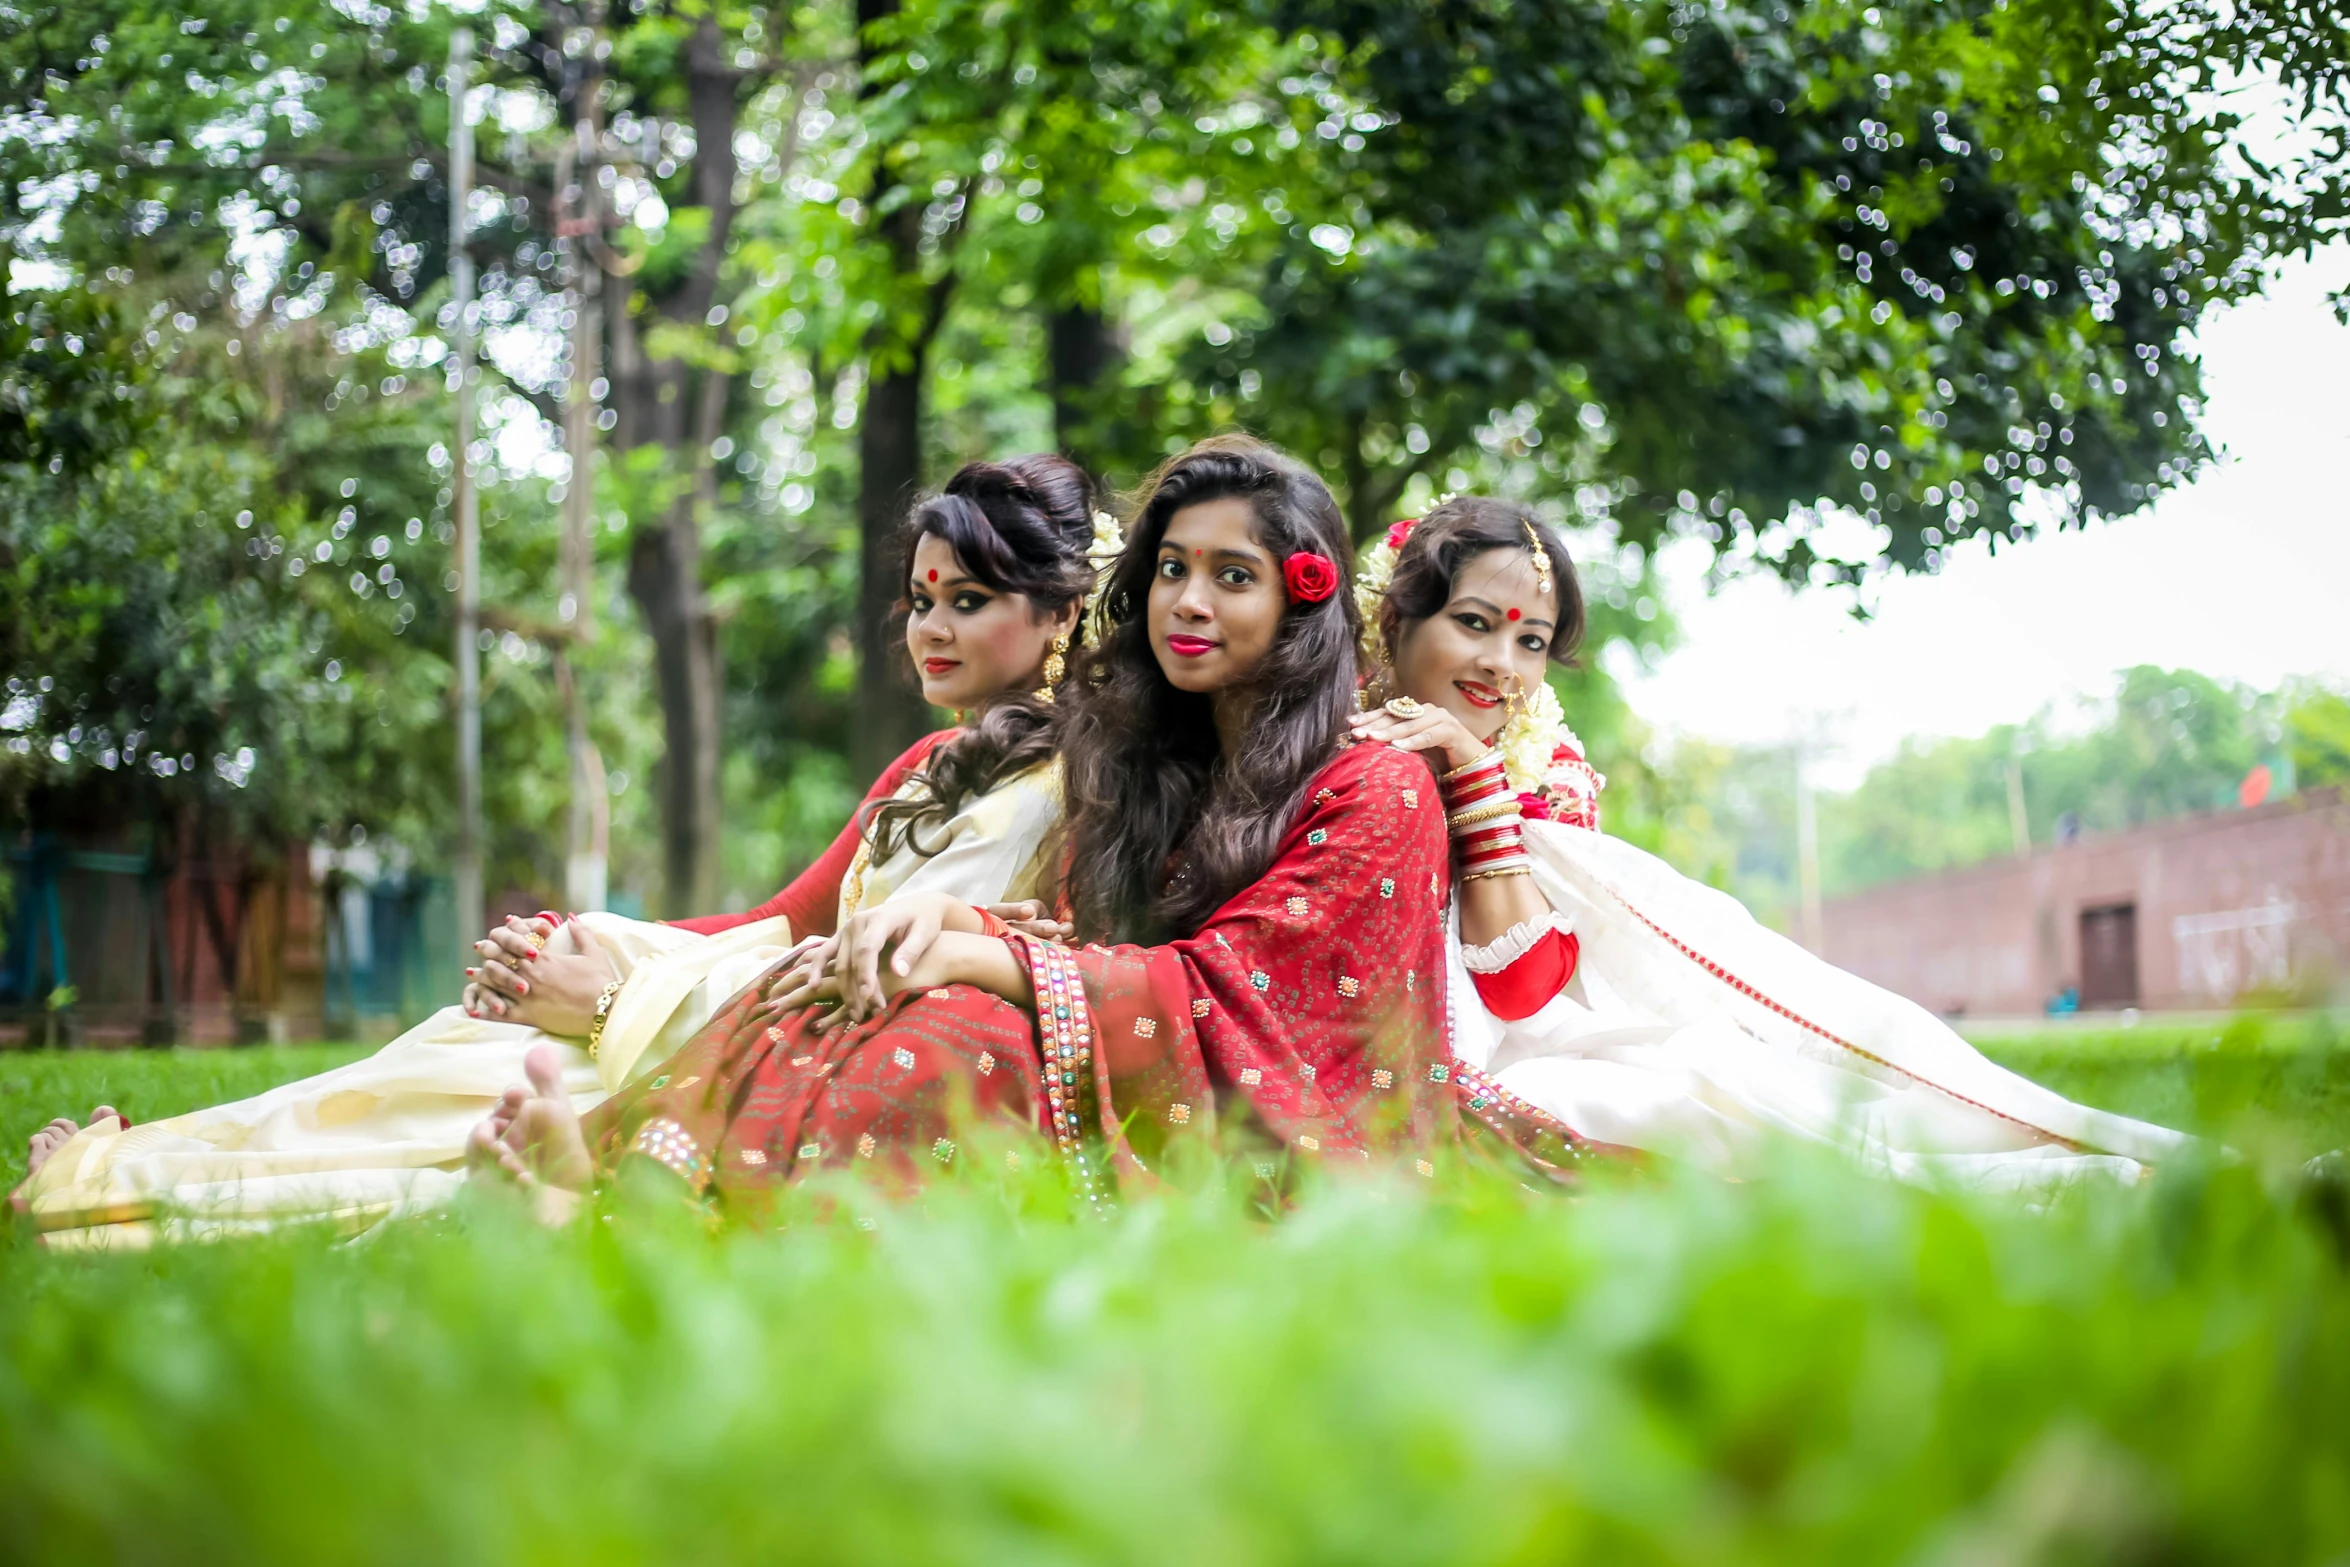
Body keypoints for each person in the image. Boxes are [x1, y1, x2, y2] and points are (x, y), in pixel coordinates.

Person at [469, 436, 1597, 1218]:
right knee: (829, 985)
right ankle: (635, 1191)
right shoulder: (1151, 764)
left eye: (1232, 577)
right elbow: (1088, 939)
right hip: (1132, 1051)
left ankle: (693, 1216)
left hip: (1268, 1118)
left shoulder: (1378, 787)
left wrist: (987, 962)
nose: (1189, 602)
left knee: (959, 1034)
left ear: (1301, 603)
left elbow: (1242, 1000)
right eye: (1172, 571)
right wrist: (956, 928)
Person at [15, 455, 1107, 1245]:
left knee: (477, 1102)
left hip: (813, 1054)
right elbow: (778, 918)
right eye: (921, 600)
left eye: (970, 602)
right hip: (746, 997)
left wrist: (604, 1004)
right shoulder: (926, 766)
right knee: (457, 1045)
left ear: (1060, 617)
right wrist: (573, 950)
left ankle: (119, 1189)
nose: (931, 628)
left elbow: (969, 970)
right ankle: (127, 1158)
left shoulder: (1089, 787)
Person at [1348, 496, 2190, 1191]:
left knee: (1770, 1095)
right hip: (1406, 1063)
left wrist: (1473, 787)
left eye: (1531, 641)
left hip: (1559, 1036)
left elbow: (1526, 989)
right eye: (1474, 623)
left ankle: (2095, 1178)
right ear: (1396, 617)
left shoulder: (1540, 770)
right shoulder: (1327, 747)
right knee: (1637, 1112)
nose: (1503, 664)